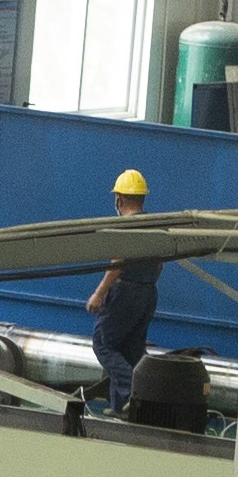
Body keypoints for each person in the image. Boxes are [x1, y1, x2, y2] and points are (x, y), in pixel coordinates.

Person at [87, 171, 160, 400]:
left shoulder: (126, 227)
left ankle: (133, 394)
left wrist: (99, 294)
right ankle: (124, 407)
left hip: (125, 293)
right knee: (132, 350)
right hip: (148, 292)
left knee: (103, 344)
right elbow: (160, 264)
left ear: (119, 199)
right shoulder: (155, 226)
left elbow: (117, 263)